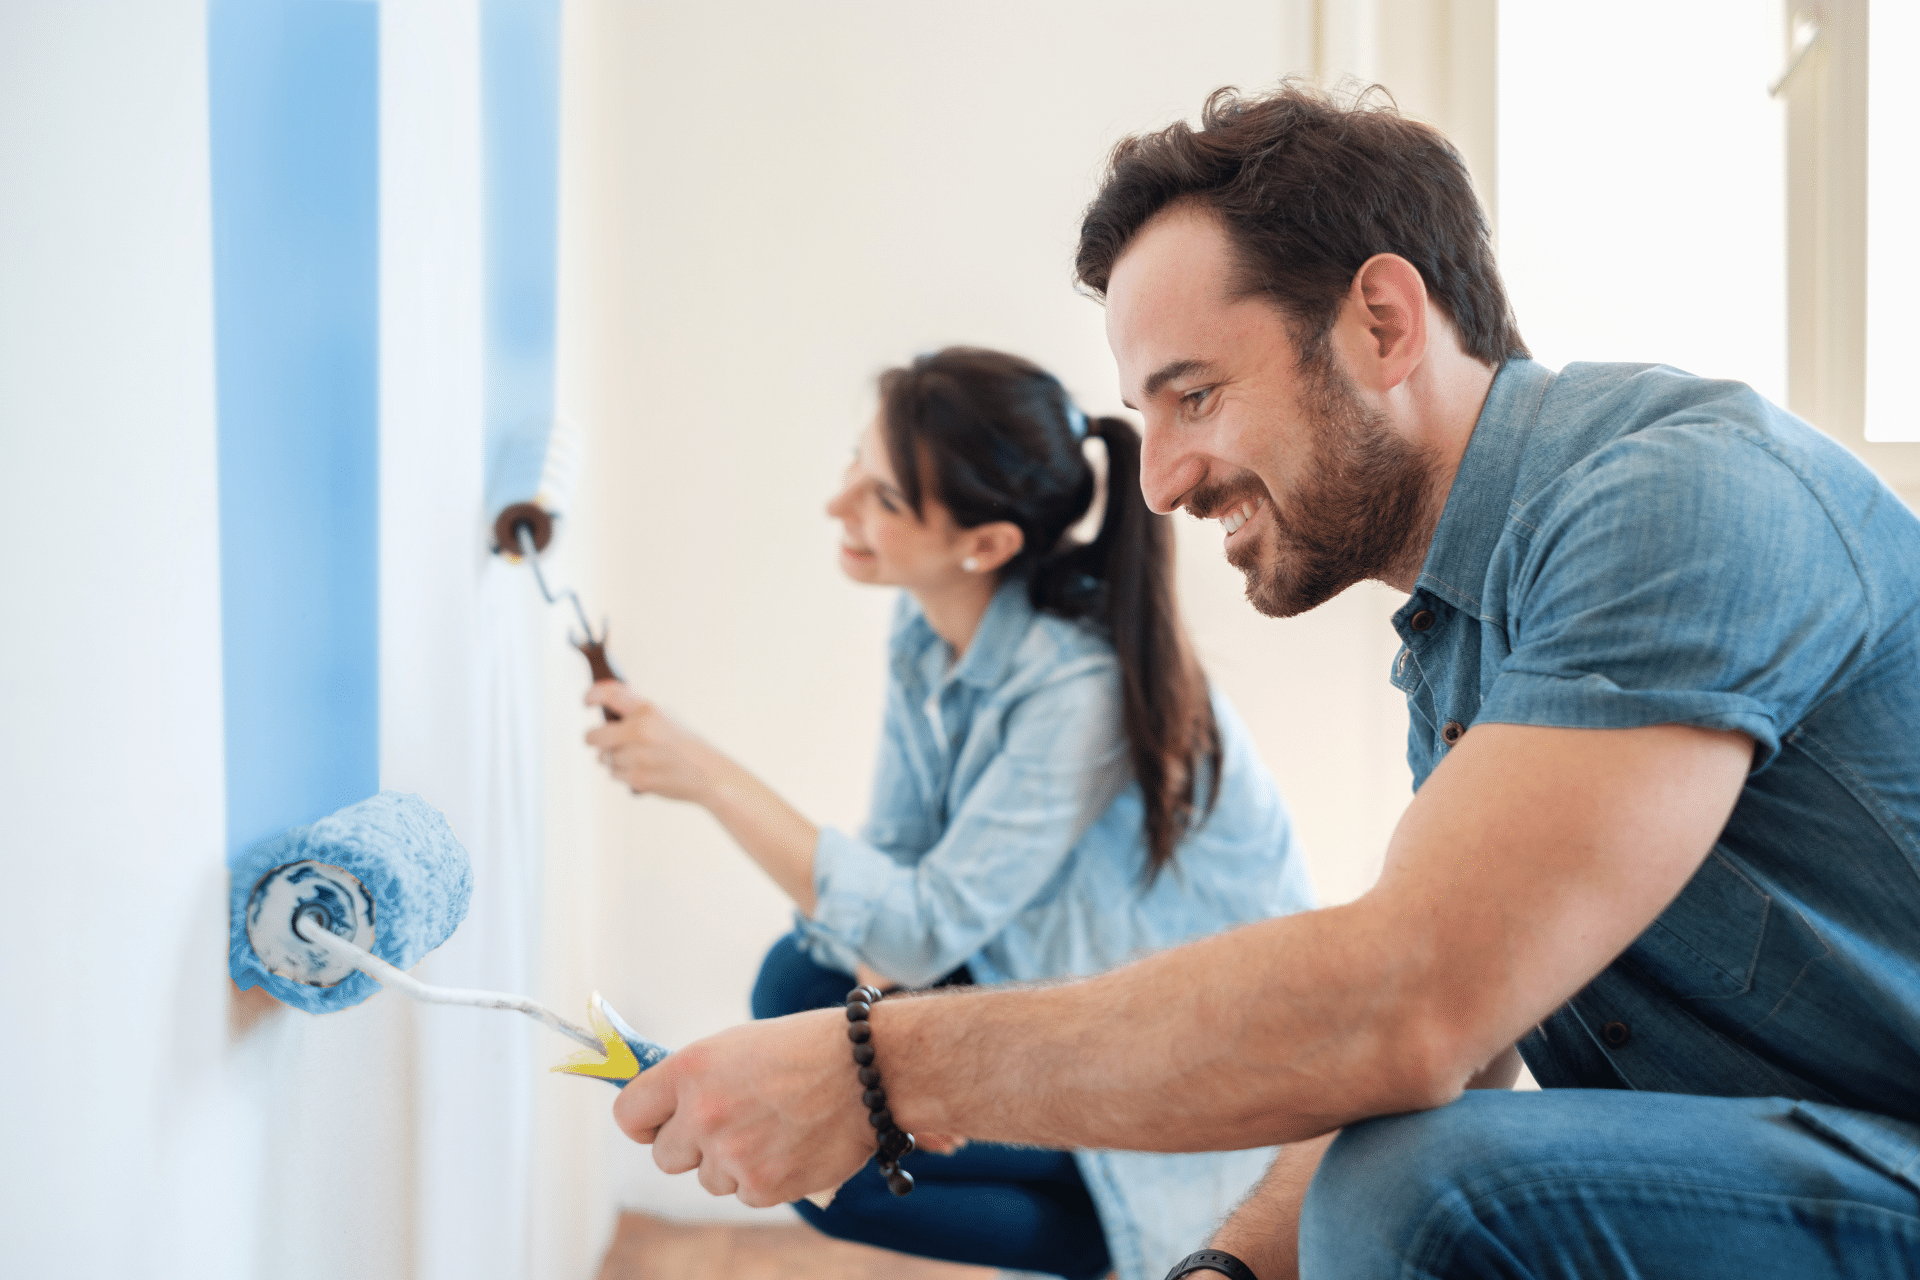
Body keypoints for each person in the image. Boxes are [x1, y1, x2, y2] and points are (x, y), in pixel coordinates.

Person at [608, 82, 1920, 1280]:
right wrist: (1224, 1272)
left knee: (1430, 1193)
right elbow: (1459, 1044)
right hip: (1794, 1162)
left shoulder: (1678, 499)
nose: (1165, 481)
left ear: (1384, 323)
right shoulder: (1457, 645)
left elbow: (1410, 1007)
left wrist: (881, 1076)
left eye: (1195, 397)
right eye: (1144, 422)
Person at [584, 346, 1314, 1280]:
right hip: (1047, 978)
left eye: (882, 497)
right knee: (798, 990)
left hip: (1179, 1061)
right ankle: (1058, 1185)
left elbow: (919, 933)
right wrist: (895, 1054)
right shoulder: (928, 628)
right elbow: (896, 869)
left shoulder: (1078, 689)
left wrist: (708, 777)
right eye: (859, 462)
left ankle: (1137, 1224)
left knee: (830, 1133)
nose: (839, 504)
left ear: (987, 546)